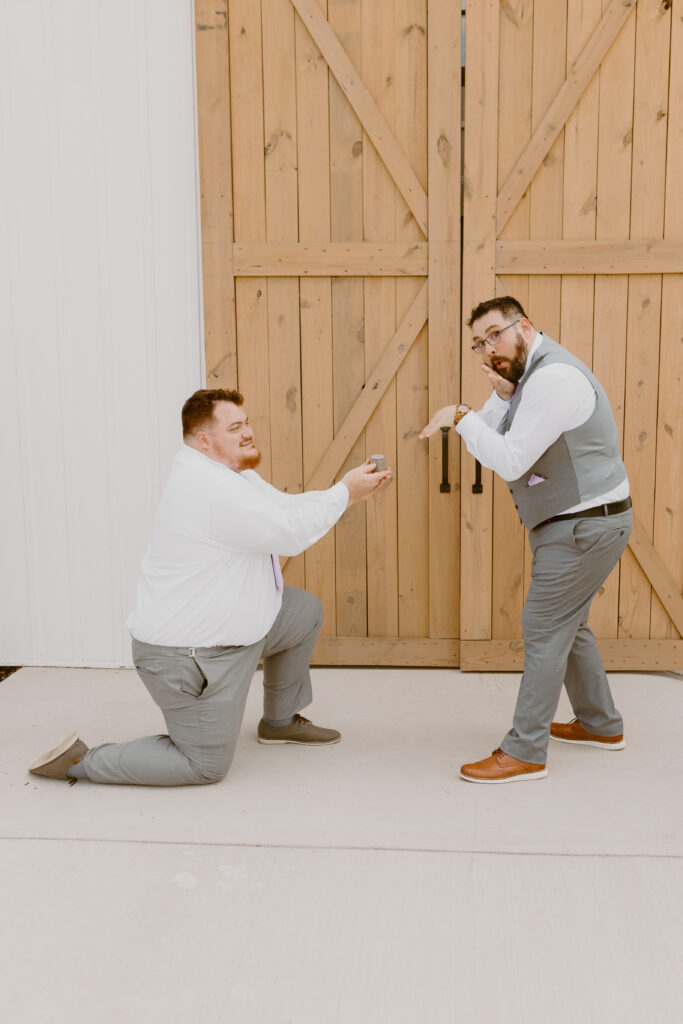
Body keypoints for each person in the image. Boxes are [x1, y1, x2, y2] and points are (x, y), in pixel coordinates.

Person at [29, 388, 391, 785]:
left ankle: (279, 722)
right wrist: (343, 493)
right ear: (204, 439)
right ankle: (80, 763)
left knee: (301, 611)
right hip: (189, 659)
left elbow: (285, 508)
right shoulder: (210, 490)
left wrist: (346, 496)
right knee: (203, 766)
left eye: (247, 422)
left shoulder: (231, 475)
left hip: (232, 634)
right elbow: (288, 533)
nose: (248, 432)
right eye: (235, 427)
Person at [420, 297, 632, 784]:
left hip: (583, 525)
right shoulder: (531, 379)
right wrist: (496, 398)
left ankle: (526, 751)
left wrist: (458, 414)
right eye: (480, 341)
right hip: (582, 523)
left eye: (495, 333)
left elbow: (510, 460)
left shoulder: (553, 379)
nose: (488, 346)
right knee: (569, 624)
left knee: (543, 626)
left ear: (525, 326)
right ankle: (602, 725)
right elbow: (497, 436)